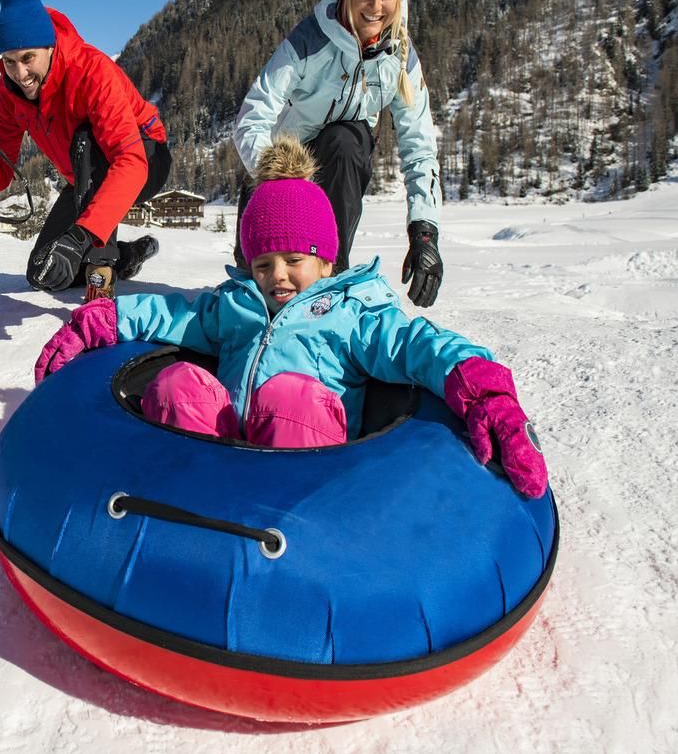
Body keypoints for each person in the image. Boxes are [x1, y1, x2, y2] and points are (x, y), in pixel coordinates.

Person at [35, 137, 547, 499]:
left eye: (294, 260)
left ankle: (270, 514)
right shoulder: (235, 305)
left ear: (326, 261)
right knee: (179, 384)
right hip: (222, 456)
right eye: (262, 263)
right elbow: (173, 313)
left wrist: (480, 386)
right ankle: (184, 499)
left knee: (289, 398)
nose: (277, 276)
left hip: (306, 477)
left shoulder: (349, 312)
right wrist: (102, 319)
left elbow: (413, 343)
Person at [231, 0, 444, 307]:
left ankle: (330, 282)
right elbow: (253, 116)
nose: (376, 6)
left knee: (348, 140)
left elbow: (419, 143)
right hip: (279, 171)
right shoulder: (308, 40)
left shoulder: (400, 57)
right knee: (255, 286)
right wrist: (277, 182)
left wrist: (424, 231)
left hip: (339, 166)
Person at [0, 0, 171, 299]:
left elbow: (130, 161)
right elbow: (1, 173)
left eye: (28, 59)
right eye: (9, 61)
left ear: (49, 47)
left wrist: (81, 236)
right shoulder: (9, 93)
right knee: (45, 271)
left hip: (145, 159)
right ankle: (129, 256)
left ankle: (102, 267)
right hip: (84, 177)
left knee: (86, 140)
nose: (20, 74)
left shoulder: (92, 71)